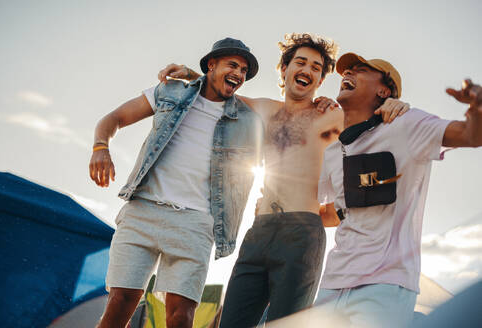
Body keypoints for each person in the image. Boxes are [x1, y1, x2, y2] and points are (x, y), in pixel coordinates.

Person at [158, 34, 409, 327]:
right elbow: (225, 94)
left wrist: (395, 106)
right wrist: (190, 74)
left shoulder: (331, 116)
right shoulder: (265, 110)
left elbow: (376, 122)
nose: (308, 70)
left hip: (302, 234)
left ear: (320, 80)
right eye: (300, 62)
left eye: (316, 68)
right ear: (285, 70)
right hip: (258, 232)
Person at [88, 37, 264, 328]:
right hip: (144, 211)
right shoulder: (170, 92)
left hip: (196, 223)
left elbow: (289, 113)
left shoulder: (247, 120)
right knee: (120, 303)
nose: (239, 74)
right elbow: (115, 118)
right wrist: (100, 147)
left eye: (244, 70)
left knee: (181, 316)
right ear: (212, 64)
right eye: (233, 65)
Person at [314, 52, 482, 327]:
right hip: (331, 283)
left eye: (360, 70)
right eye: (347, 71)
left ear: (384, 90)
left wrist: (477, 109)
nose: (347, 74)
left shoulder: (406, 125)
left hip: (385, 284)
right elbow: (331, 212)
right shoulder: (334, 151)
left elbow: (472, 135)